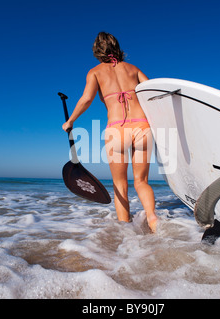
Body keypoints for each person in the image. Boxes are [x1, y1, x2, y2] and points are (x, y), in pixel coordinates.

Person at [62, 32, 158, 232]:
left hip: (117, 131)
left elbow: (87, 99)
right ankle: (153, 219)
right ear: (117, 47)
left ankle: (125, 233)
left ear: (97, 51)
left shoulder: (95, 72)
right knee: (141, 181)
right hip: (143, 127)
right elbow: (153, 94)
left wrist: (71, 120)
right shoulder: (134, 69)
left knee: (120, 184)